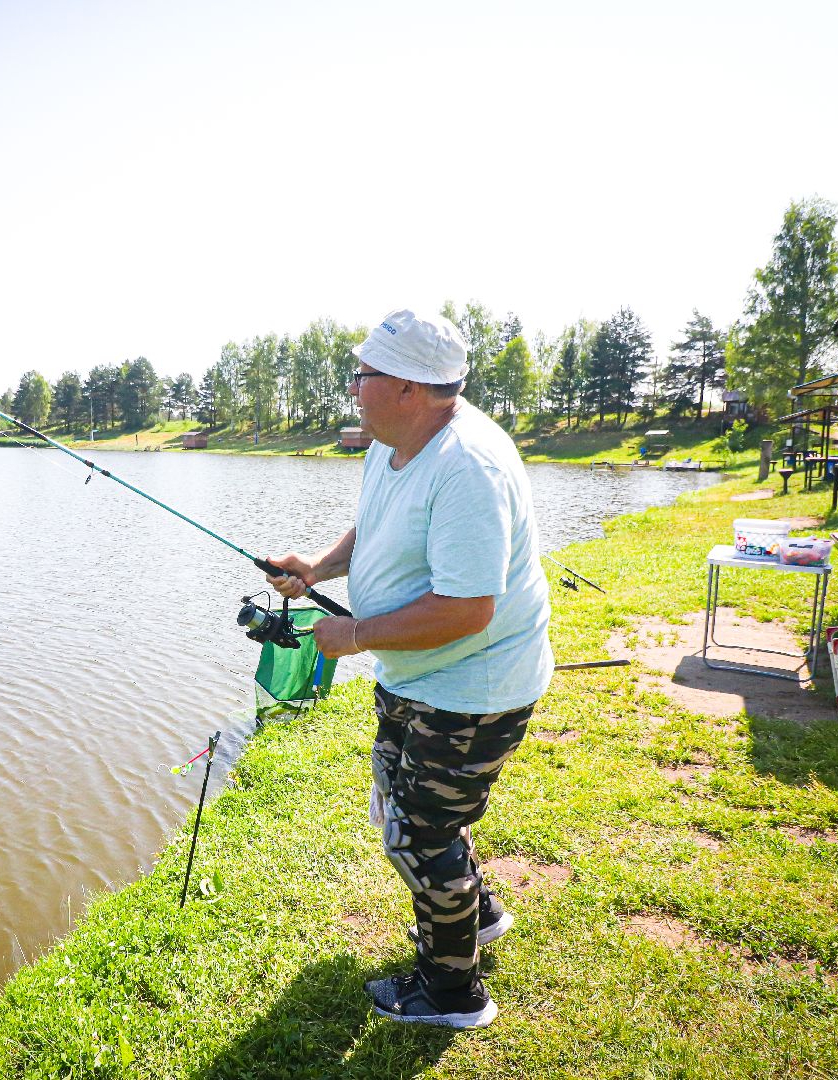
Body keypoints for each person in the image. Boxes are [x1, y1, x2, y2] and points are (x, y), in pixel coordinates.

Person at [265, 308, 552, 1029]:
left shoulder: (467, 468)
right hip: (418, 678)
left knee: (418, 833)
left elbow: (466, 609)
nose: (353, 386)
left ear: (410, 389)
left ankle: (453, 993)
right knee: (403, 805)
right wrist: (320, 567)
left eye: (363, 375)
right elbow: (379, 523)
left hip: (471, 690)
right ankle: (475, 914)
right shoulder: (392, 441)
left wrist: (353, 635)